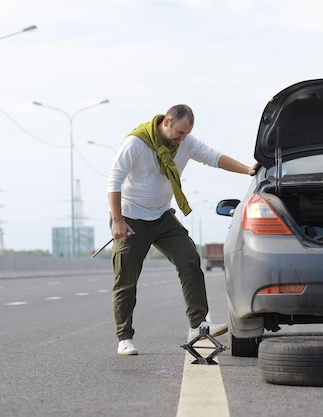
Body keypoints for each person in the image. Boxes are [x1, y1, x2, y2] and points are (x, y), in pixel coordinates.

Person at [107, 104, 258, 356]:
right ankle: (124, 337)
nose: (182, 138)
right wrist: (117, 220)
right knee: (126, 278)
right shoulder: (136, 143)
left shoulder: (184, 143)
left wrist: (247, 170)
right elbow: (113, 179)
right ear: (166, 122)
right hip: (131, 217)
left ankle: (199, 324)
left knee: (189, 258)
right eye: (179, 132)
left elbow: (214, 157)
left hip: (162, 216)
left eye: (186, 134)